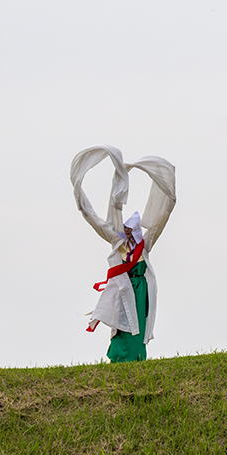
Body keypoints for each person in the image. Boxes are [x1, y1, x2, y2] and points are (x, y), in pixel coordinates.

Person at [71, 145, 175, 362]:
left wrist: (166, 190)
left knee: (139, 326)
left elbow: (162, 217)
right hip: (123, 288)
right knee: (121, 326)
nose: (126, 231)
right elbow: (94, 219)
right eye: (125, 228)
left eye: (130, 229)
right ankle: (118, 358)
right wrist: (80, 196)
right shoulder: (116, 241)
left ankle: (137, 358)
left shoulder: (144, 245)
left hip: (141, 289)